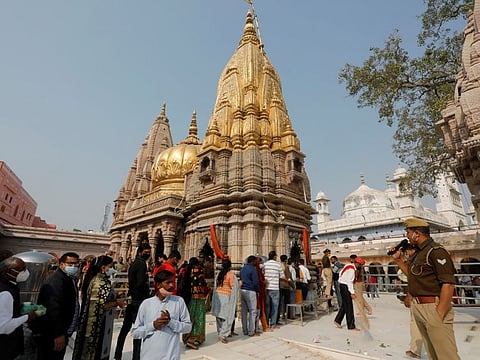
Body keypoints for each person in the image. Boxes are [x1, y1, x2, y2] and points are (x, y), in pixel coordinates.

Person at [391, 218, 460, 360]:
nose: (407, 236)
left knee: (446, 354)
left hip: (433, 306)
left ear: (417, 233)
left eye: (408, 233)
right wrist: (398, 260)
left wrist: (439, 314)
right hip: (419, 307)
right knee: (432, 353)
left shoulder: (436, 251)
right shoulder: (418, 253)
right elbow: (412, 275)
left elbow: (448, 284)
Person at [73, 255, 125, 360]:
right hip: (98, 325)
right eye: (110, 267)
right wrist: (116, 302)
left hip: (99, 323)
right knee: (97, 351)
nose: (111, 269)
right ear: (103, 267)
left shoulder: (99, 279)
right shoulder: (99, 282)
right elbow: (99, 305)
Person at [132, 270, 191, 360]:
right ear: (158, 285)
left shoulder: (179, 301)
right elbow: (135, 333)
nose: (172, 285)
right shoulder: (146, 304)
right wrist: (153, 325)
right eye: (168, 282)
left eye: (173, 282)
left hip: (171, 356)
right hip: (149, 356)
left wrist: (170, 322)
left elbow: (188, 327)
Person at [34, 252, 81, 360]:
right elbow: (52, 310)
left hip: (63, 331)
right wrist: (58, 334)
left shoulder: (68, 279)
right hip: (53, 334)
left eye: (76, 264)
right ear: (61, 264)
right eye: (70, 264)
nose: (73, 267)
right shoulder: (56, 281)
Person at [114, 244, 152, 360]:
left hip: (132, 298)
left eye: (149, 252)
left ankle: (118, 353)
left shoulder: (134, 263)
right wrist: (146, 280)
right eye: (146, 252)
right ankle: (136, 356)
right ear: (140, 252)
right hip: (139, 299)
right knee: (138, 329)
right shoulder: (141, 264)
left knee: (125, 328)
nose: (148, 254)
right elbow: (140, 283)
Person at [0, 256, 37, 360]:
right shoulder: (6, 292)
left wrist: (21, 306)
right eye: (22, 269)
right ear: (9, 272)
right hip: (5, 346)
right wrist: (27, 317)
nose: (26, 272)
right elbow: (4, 327)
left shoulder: (8, 286)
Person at [180, 257, 208, 350]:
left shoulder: (187, 270)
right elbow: (202, 283)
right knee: (198, 318)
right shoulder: (198, 270)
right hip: (198, 298)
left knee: (190, 317)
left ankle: (187, 337)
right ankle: (193, 339)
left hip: (189, 297)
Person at [334, 257, 365, 331]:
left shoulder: (348, 265)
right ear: (357, 263)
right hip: (345, 286)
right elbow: (349, 282)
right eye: (360, 265)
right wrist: (352, 293)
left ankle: (338, 320)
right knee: (349, 307)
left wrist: (342, 279)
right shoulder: (352, 270)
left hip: (342, 284)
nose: (360, 267)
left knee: (345, 305)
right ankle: (351, 326)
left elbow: (341, 273)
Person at [212, 258, 238, 344]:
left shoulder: (219, 274)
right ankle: (222, 335)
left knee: (219, 316)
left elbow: (216, 285)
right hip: (226, 297)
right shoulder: (231, 275)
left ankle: (220, 332)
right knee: (227, 317)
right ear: (230, 266)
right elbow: (234, 287)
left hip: (218, 296)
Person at [263, 250, 284, 329]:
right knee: (275, 306)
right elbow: (282, 276)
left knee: (267, 306)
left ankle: (266, 324)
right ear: (275, 257)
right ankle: (273, 324)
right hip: (275, 288)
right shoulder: (278, 265)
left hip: (267, 288)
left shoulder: (265, 265)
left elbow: (262, 274)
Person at [239, 255, 259, 337]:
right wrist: (258, 290)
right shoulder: (252, 269)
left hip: (243, 290)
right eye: (255, 261)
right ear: (252, 261)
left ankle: (245, 330)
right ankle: (251, 331)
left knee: (244, 311)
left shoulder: (243, 268)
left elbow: (240, 278)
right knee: (252, 311)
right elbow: (255, 282)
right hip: (250, 290)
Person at [278, 254, 294, 323]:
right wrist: (293, 286)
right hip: (285, 286)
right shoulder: (285, 267)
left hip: (279, 286)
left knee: (280, 302)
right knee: (287, 302)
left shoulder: (278, 266)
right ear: (285, 260)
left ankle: (280, 315)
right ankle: (286, 315)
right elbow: (288, 278)